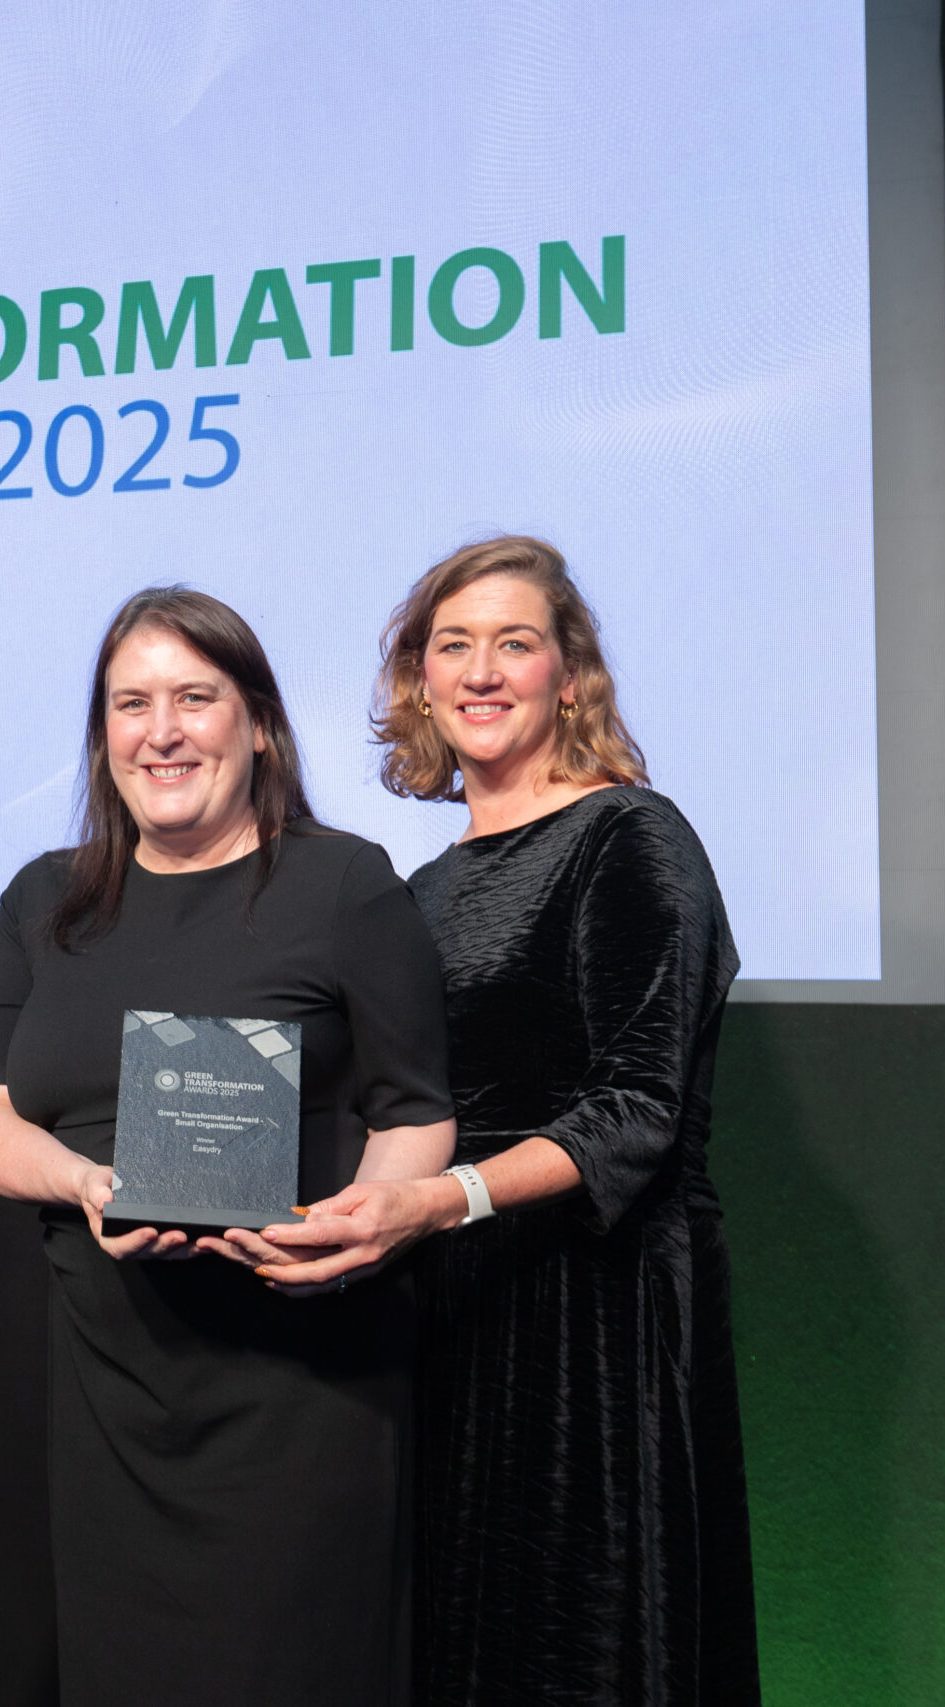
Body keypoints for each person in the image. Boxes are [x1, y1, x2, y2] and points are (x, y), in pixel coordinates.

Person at [254, 536, 761, 1704]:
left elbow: (637, 1114)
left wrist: (442, 1200)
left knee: (580, 1645)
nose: (482, 671)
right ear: (418, 685)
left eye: (515, 644)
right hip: (447, 1307)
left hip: (598, 1309)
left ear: (569, 677)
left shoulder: (631, 838)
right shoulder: (422, 889)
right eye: (453, 646)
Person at [0, 587, 457, 1706]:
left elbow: (415, 1110)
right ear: (102, 736)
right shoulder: (45, 900)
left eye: (195, 697)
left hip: (303, 1383)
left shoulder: (344, 884)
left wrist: (359, 1231)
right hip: (111, 1391)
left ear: (259, 723)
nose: (161, 730)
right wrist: (85, 1181)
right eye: (131, 704)